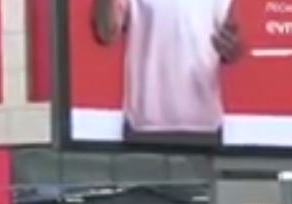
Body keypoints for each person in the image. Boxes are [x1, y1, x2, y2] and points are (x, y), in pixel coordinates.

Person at [94, 0, 240, 137]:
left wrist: (232, 49)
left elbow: (232, 41)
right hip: (144, 124)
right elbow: (106, 32)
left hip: (203, 125)